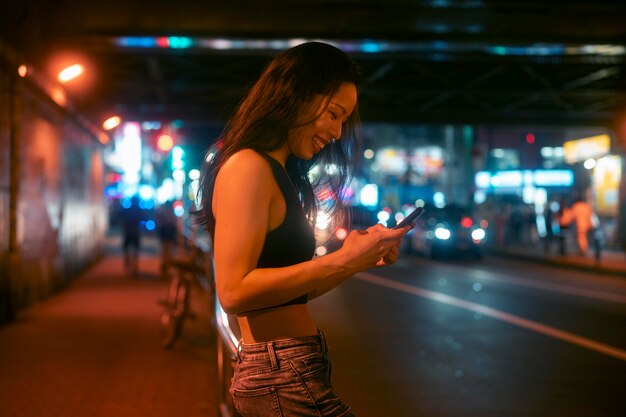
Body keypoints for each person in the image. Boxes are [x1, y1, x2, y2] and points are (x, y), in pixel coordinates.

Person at [197, 42, 411, 416]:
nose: (338, 131)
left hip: (291, 369)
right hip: (280, 375)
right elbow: (233, 291)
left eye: (343, 119)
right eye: (333, 113)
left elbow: (287, 292)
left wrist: (358, 260)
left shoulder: (279, 173)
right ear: (296, 96)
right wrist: (342, 260)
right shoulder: (248, 166)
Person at [120, 195, 144, 276]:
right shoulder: (139, 210)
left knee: (127, 250)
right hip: (135, 232)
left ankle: (128, 264)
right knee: (135, 251)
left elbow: (121, 218)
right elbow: (143, 219)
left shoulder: (127, 210)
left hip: (128, 232)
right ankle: (134, 267)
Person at [156, 200, 178, 276]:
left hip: (166, 232)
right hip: (167, 232)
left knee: (166, 251)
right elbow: (174, 223)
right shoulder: (170, 213)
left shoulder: (163, 212)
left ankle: (165, 267)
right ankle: (165, 267)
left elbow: (159, 222)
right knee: (167, 251)